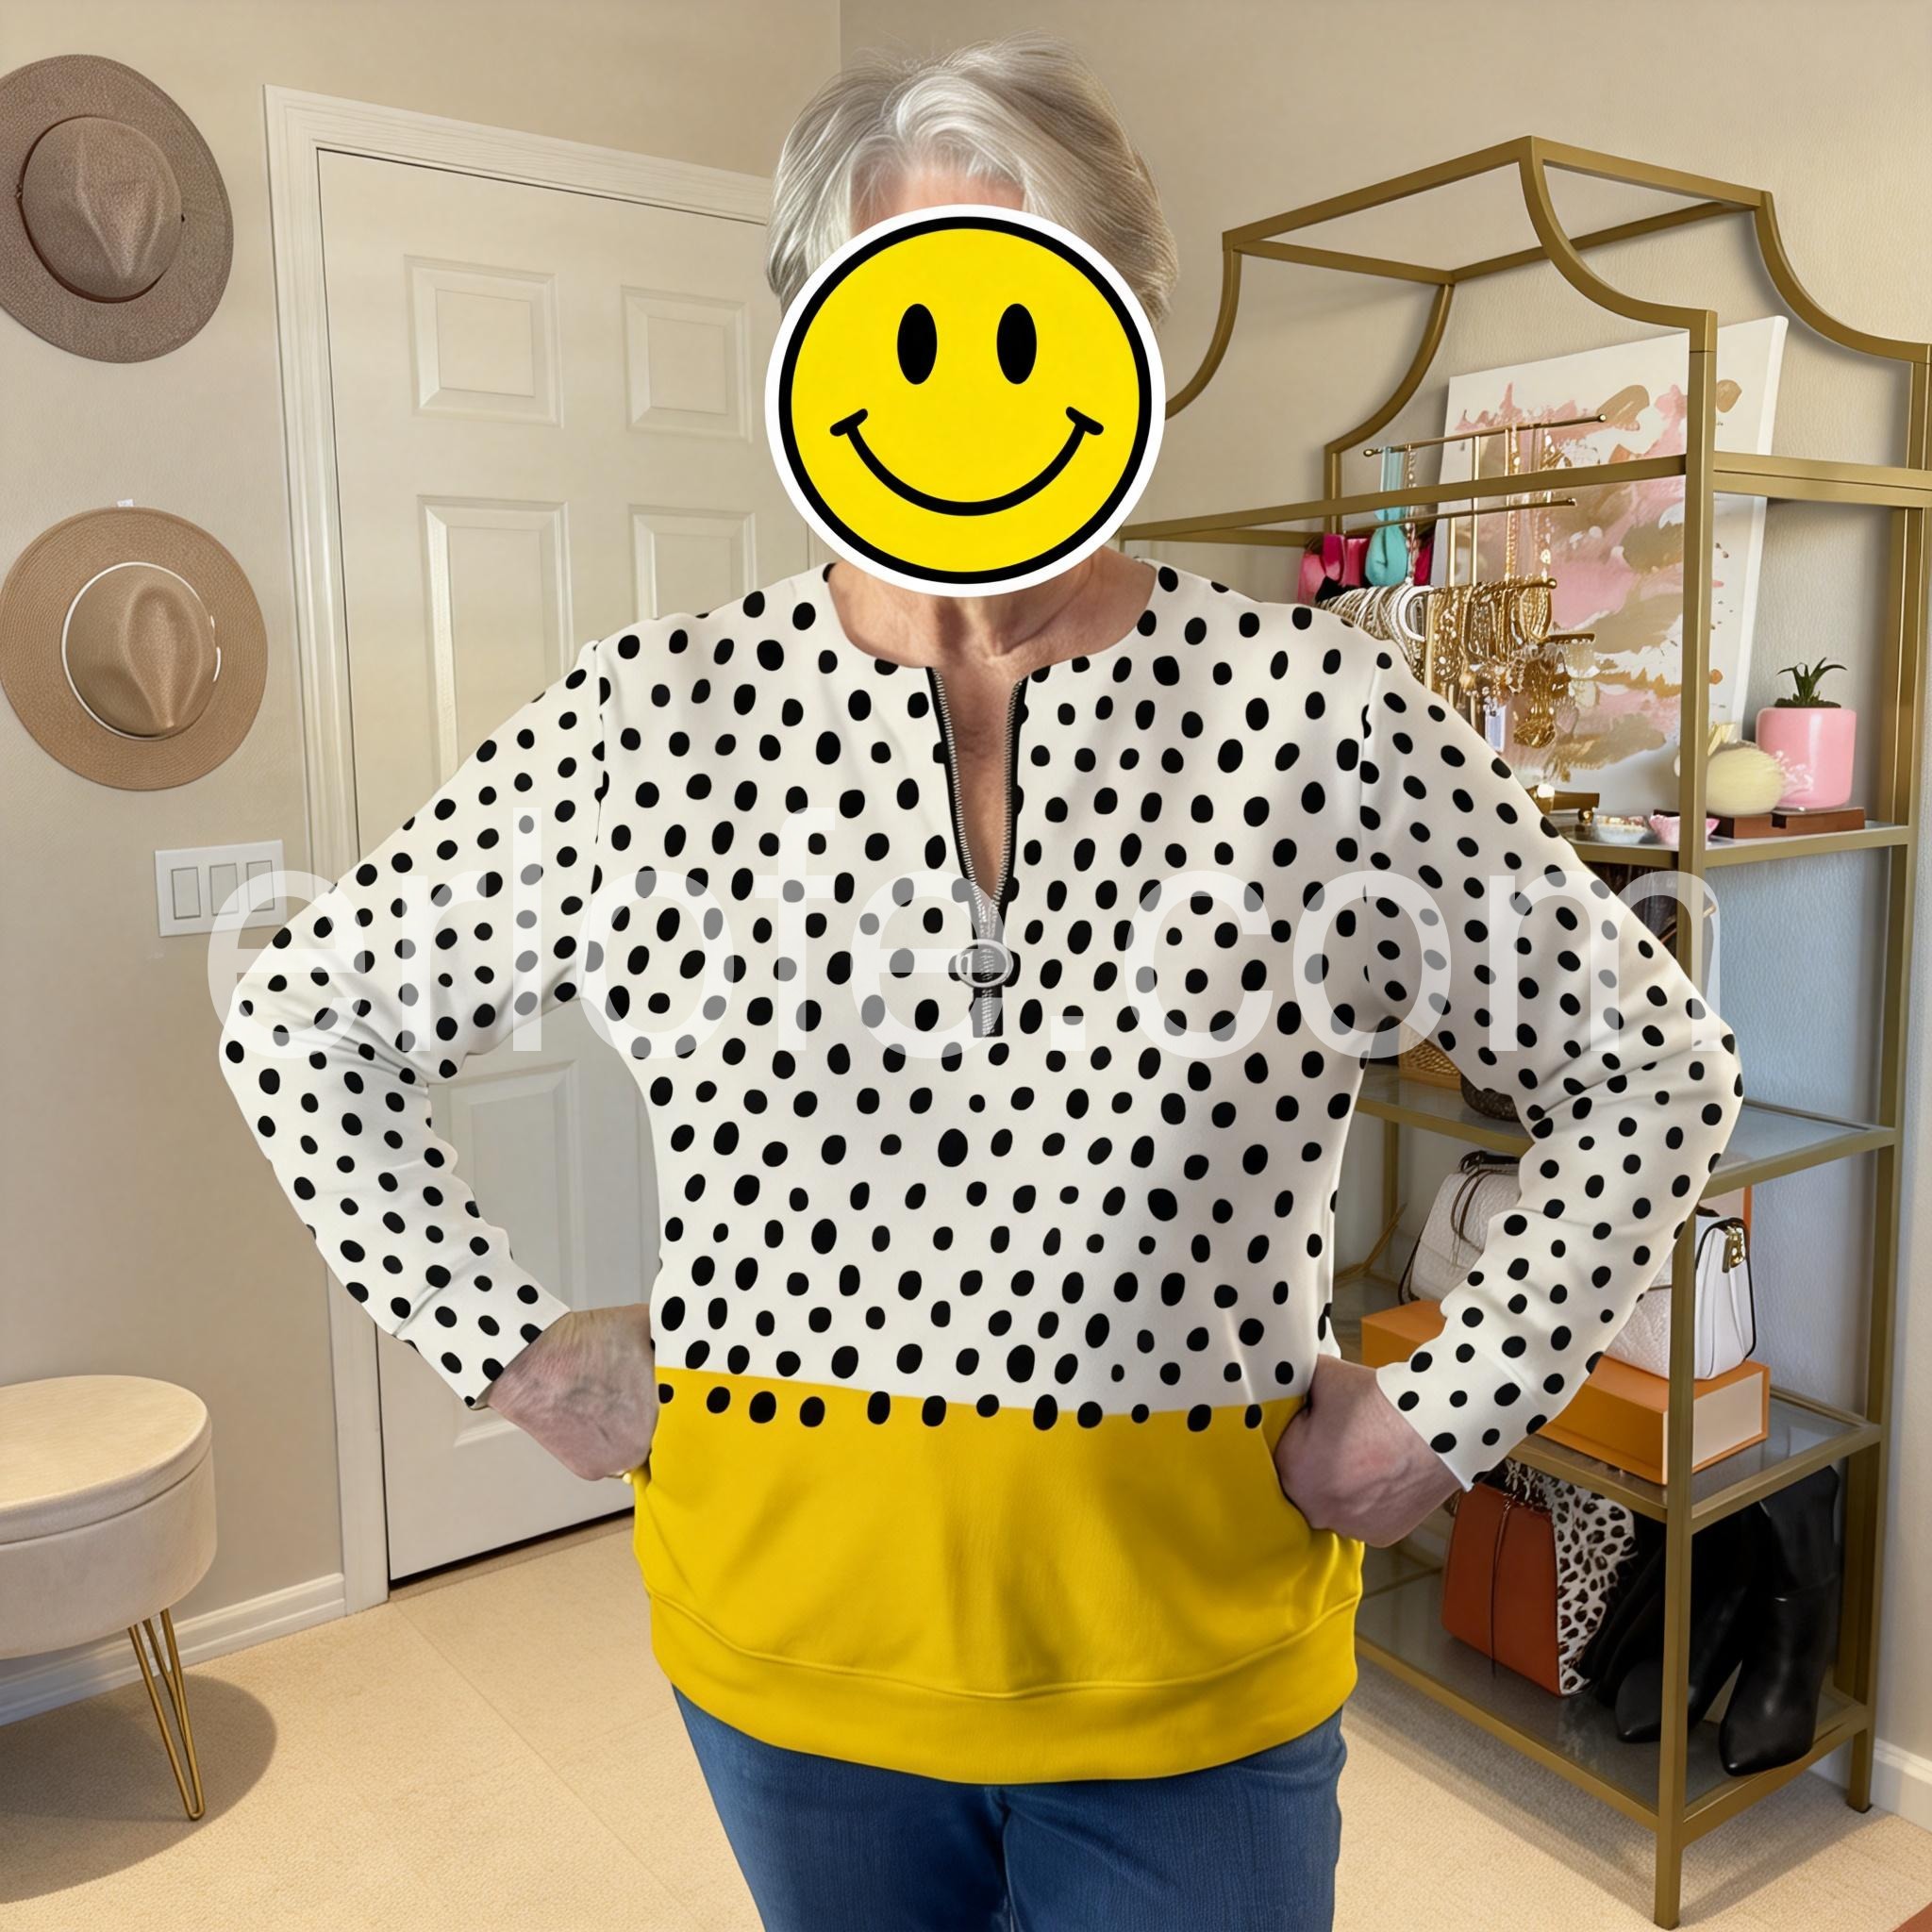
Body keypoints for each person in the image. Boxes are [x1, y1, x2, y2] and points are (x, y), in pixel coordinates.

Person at [219, 36, 1743, 1932]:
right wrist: (510, 1348)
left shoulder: (1324, 721)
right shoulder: (647, 724)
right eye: (899, 318)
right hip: (788, 1675)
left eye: (1024, 316)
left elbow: (1653, 1068)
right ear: (807, 346)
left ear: (1132, 342)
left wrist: (1454, 1407)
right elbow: (302, 1019)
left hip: (1196, 1676)